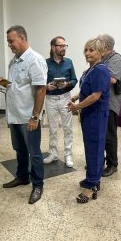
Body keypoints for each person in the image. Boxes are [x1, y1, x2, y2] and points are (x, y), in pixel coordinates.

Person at [0, 25, 47, 204]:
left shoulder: (35, 60)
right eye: (8, 42)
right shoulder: (14, 61)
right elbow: (18, 85)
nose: (9, 45)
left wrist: (35, 117)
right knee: (19, 149)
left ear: (23, 38)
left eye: (11, 41)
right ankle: (22, 176)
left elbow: (41, 89)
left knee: (34, 152)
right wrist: (5, 83)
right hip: (14, 115)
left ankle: (38, 185)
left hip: (28, 117)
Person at [68, 38, 110, 203]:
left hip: (96, 115)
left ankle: (91, 186)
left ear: (101, 52)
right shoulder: (90, 70)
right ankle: (93, 178)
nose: (87, 53)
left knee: (95, 149)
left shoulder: (101, 70)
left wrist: (77, 106)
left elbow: (95, 96)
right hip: (89, 115)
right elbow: (88, 90)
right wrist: (76, 96)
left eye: (91, 50)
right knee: (91, 149)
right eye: (86, 50)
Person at [43, 36, 77, 168]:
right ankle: (53, 153)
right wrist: (47, 87)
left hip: (65, 98)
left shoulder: (69, 62)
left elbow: (74, 80)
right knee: (52, 129)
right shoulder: (45, 63)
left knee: (67, 128)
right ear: (53, 47)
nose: (64, 48)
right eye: (61, 46)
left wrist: (67, 84)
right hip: (50, 99)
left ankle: (68, 155)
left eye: (64, 46)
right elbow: (40, 82)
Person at [96, 34, 121, 177]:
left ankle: (112, 164)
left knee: (109, 135)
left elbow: (112, 79)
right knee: (99, 134)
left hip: (110, 103)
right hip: (99, 101)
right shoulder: (102, 58)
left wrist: (93, 75)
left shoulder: (116, 59)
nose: (95, 45)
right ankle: (99, 161)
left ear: (106, 46)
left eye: (98, 42)